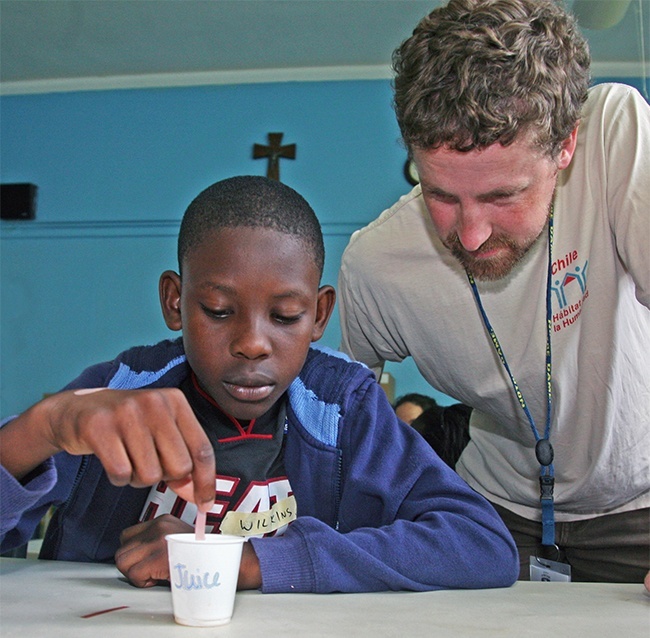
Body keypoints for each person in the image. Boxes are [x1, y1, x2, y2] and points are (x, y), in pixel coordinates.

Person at [0, 176, 518, 594]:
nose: (252, 343)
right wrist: (44, 426)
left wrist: (247, 562)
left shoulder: (344, 408)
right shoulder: (121, 390)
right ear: (175, 302)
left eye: (285, 316)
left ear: (319, 316)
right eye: (219, 311)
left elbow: (481, 543)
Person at [338, 0, 649, 585]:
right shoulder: (375, 264)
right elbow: (348, 413)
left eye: (504, 196)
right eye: (442, 197)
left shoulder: (615, 136)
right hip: (488, 513)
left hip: (639, 505)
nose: (471, 234)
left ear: (565, 147)